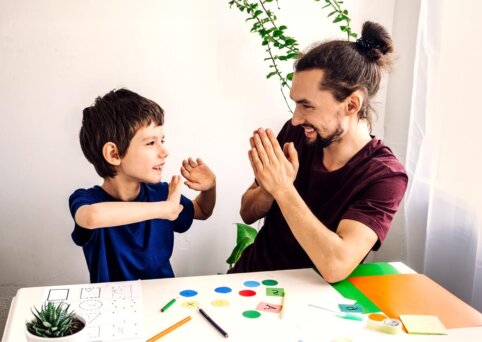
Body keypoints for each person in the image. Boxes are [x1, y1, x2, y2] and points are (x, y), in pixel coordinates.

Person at [229, 21, 408, 282]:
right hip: (249, 280)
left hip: (314, 303)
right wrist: (268, 187)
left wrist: (282, 188)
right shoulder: (296, 135)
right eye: (296, 104)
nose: (296, 119)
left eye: (307, 106)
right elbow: (248, 211)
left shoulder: (384, 176)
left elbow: (336, 265)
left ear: (351, 104)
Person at [69, 88, 216, 283]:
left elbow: (202, 210)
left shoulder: (162, 193)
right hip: (113, 308)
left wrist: (210, 188)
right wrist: (163, 209)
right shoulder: (87, 200)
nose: (164, 151)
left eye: (161, 141)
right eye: (150, 143)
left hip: (164, 303)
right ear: (114, 154)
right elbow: (91, 217)